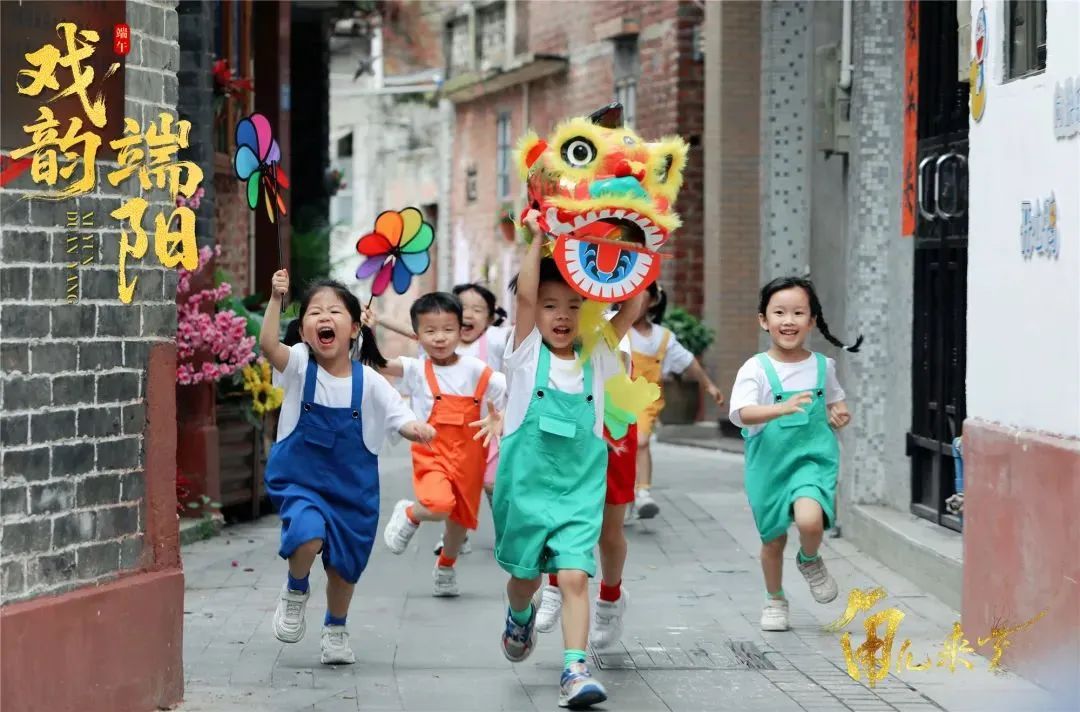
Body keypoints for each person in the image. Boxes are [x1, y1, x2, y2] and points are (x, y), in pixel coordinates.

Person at [493, 210, 645, 709]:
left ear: (591, 310)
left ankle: (574, 671)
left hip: (580, 489)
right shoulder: (523, 352)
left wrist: (633, 248)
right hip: (526, 489)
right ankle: (519, 616)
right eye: (550, 306)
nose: (561, 315)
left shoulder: (598, 354)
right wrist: (540, 235)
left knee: (576, 575)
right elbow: (525, 295)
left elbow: (630, 303)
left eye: (575, 305)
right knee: (525, 579)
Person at [259, 272, 435, 664]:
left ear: (354, 328)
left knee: (344, 567)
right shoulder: (299, 364)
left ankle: (335, 629)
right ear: (303, 330)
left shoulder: (369, 380)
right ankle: (295, 589)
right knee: (306, 535)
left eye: (335, 311)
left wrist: (416, 429)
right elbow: (269, 345)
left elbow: (399, 415)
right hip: (300, 483)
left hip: (352, 492)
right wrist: (275, 298)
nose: (325, 317)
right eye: (315, 312)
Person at [728, 276, 861, 632]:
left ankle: (809, 558)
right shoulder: (756, 368)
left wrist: (840, 412)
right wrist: (780, 409)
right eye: (779, 312)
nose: (789, 321)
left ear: (812, 320)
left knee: (809, 521)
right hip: (769, 466)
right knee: (772, 540)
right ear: (763, 320)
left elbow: (835, 400)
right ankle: (775, 599)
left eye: (798, 313)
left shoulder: (823, 366)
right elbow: (740, 413)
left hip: (811, 461)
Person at [375, 292, 506, 597]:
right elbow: (380, 364)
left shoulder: (476, 369)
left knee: (461, 519)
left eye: (448, 329)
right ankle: (410, 513)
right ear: (417, 335)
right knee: (438, 504)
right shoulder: (416, 369)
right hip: (431, 453)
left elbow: (509, 392)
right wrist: (365, 330)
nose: (439, 337)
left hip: (470, 457)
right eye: (430, 331)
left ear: (460, 331)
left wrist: (499, 418)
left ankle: (446, 566)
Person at [535, 334, 637, 650]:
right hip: (562, 424)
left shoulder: (612, 327)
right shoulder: (546, 326)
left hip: (611, 427)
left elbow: (615, 374)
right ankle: (554, 585)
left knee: (609, 530)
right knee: (559, 512)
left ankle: (610, 598)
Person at [628, 282, 725, 519]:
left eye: (639, 298)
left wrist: (708, 385)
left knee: (641, 441)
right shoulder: (613, 328)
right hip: (613, 399)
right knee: (617, 451)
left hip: (645, 401)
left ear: (653, 301)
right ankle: (623, 496)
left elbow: (688, 361)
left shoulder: (663, 338)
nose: (632, 303)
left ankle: (642, 493)